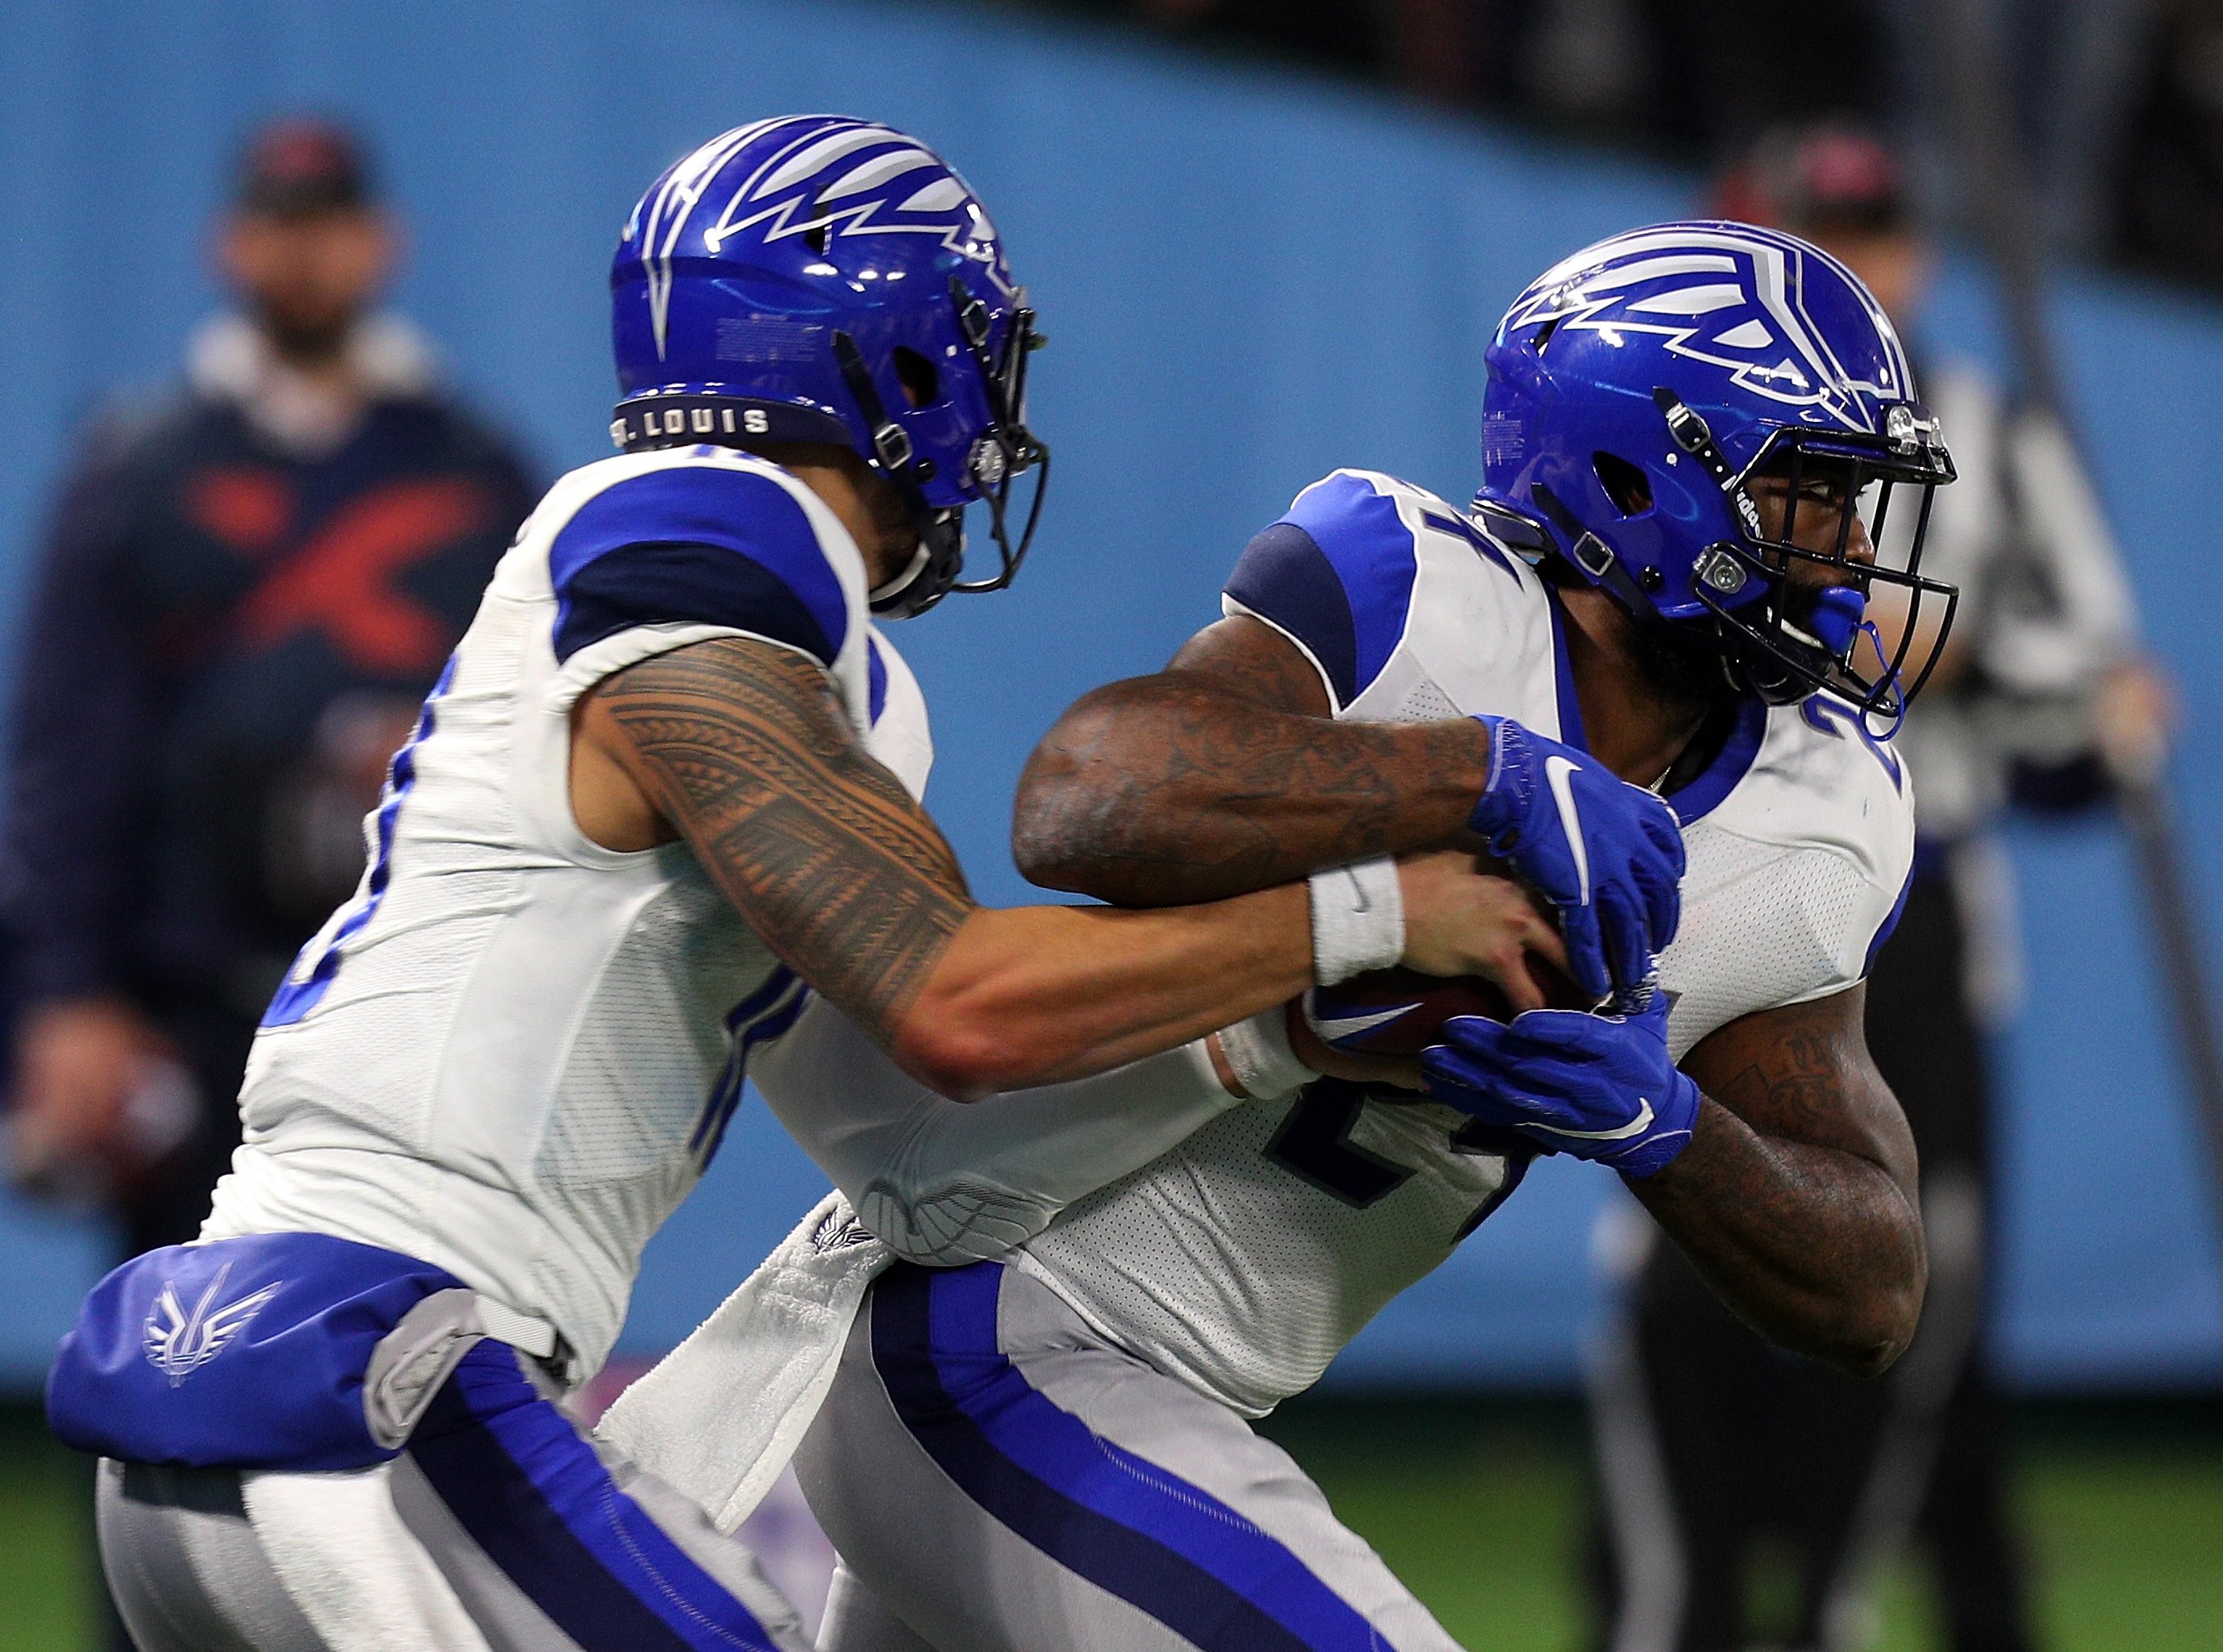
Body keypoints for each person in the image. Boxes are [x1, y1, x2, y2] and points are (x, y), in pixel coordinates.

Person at [44, 115, 1550, 1652]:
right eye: (968, 352)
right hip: (374, 1386)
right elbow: (958, 1003)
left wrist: (1286, 1028)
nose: (987, 408)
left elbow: (923, 1153)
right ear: (889, 360)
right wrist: (1368, 909)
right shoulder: (711, 520)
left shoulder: (798, 650)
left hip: (280, 1394)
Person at [613, 219, 1960, 1652]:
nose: (1852, 553)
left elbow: (1870, 1288)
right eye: (1810, 495)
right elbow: (1085, 797)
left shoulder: (1826, 800)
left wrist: (1670, 1127)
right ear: (1641, 475)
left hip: (1136, 1402)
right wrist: (1474, 776)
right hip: (997, 1325)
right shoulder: (1419, 594)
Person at [1579, 127, 2172, 1652]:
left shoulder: (1986, 430)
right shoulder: (1679, 415)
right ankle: (1670, 1609)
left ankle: (1833, 1608)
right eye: (1816, 226)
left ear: (1913, 248)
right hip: (1705, 854)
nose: (1857, 256)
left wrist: (1950, 657)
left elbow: (2111, 707)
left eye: (1876, 228)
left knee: (1915, 1282)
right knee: (1676, 1256)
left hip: (1920, 878)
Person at [2, 117, 537, 1255]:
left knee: (403, 1357)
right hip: (189, 1006)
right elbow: (69, 753)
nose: (305, 254)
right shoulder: (140, 471)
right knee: (182, 1356)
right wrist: (70, 995)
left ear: (381, 241)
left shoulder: (479, 475)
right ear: (228, 246)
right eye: (278, 224)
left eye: (331, 224)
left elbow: (546, 743)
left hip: (413, 1008)